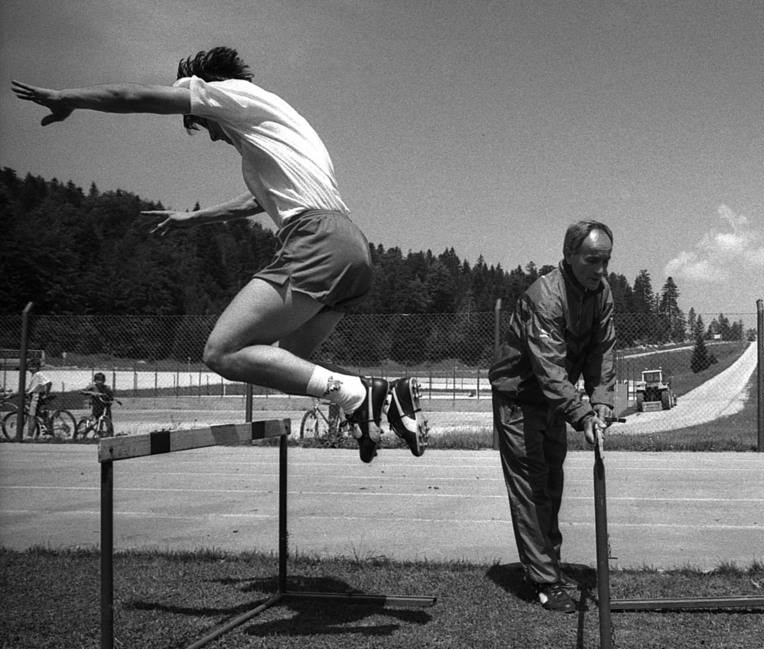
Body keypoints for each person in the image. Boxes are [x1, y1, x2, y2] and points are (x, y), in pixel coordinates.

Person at [12, 47, 427, 461]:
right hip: (350, 247)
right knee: (285, 361)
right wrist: (194, 220)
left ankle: (356, 396)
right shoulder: (275, 125)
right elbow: (253, 201)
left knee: (222, 351)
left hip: (316, 239)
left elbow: (133, 97)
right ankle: (384, 393)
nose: (210, 134)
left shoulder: (228, 93)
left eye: (199, 121)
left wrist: (69, 98)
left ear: (205, 90)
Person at [488, 220, 618, 613]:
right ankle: (544, 580)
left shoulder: (602, 293)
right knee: (532, 489)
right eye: (592, 259)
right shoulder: (545, 297)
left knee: (553, 485)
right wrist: (581, 413)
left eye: (606, 260)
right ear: (569, 256)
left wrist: (602, 403)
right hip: (520, 398)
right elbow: (549, 370)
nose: (600, 269)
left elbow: (602, 351)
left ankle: (549, 564)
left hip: (552, 402)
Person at [81, 372, 116, 436]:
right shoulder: (92, 386)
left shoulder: (107, 388)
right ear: (95, 380)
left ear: (104, 381)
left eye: (101, 380)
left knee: (108, 421)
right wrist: (92, 393)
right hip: (96, 407)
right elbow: (82, 391)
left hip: (106, 407)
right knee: (98, 421)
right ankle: (98, 433)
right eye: (98, 380)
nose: (100, 382)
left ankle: (110, 435)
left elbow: (111, 396)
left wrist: (112, 399)